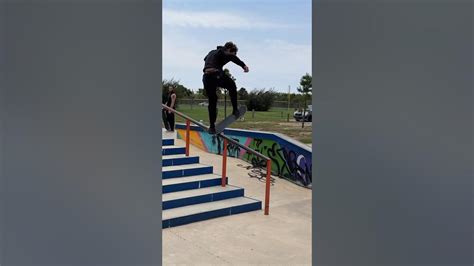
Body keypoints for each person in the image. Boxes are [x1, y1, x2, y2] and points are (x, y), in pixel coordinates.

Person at [202, 41, 249, 134]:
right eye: (233, 53)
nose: (232, 57)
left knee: (212, 101)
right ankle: (235, 109)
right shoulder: (224, 52)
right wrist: (244, 65)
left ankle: (212, 127)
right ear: (229, 49)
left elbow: (205, 59)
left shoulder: (212, 52)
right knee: (232, 85)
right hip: (215, 74)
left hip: (206, 77)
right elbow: (233, 58)